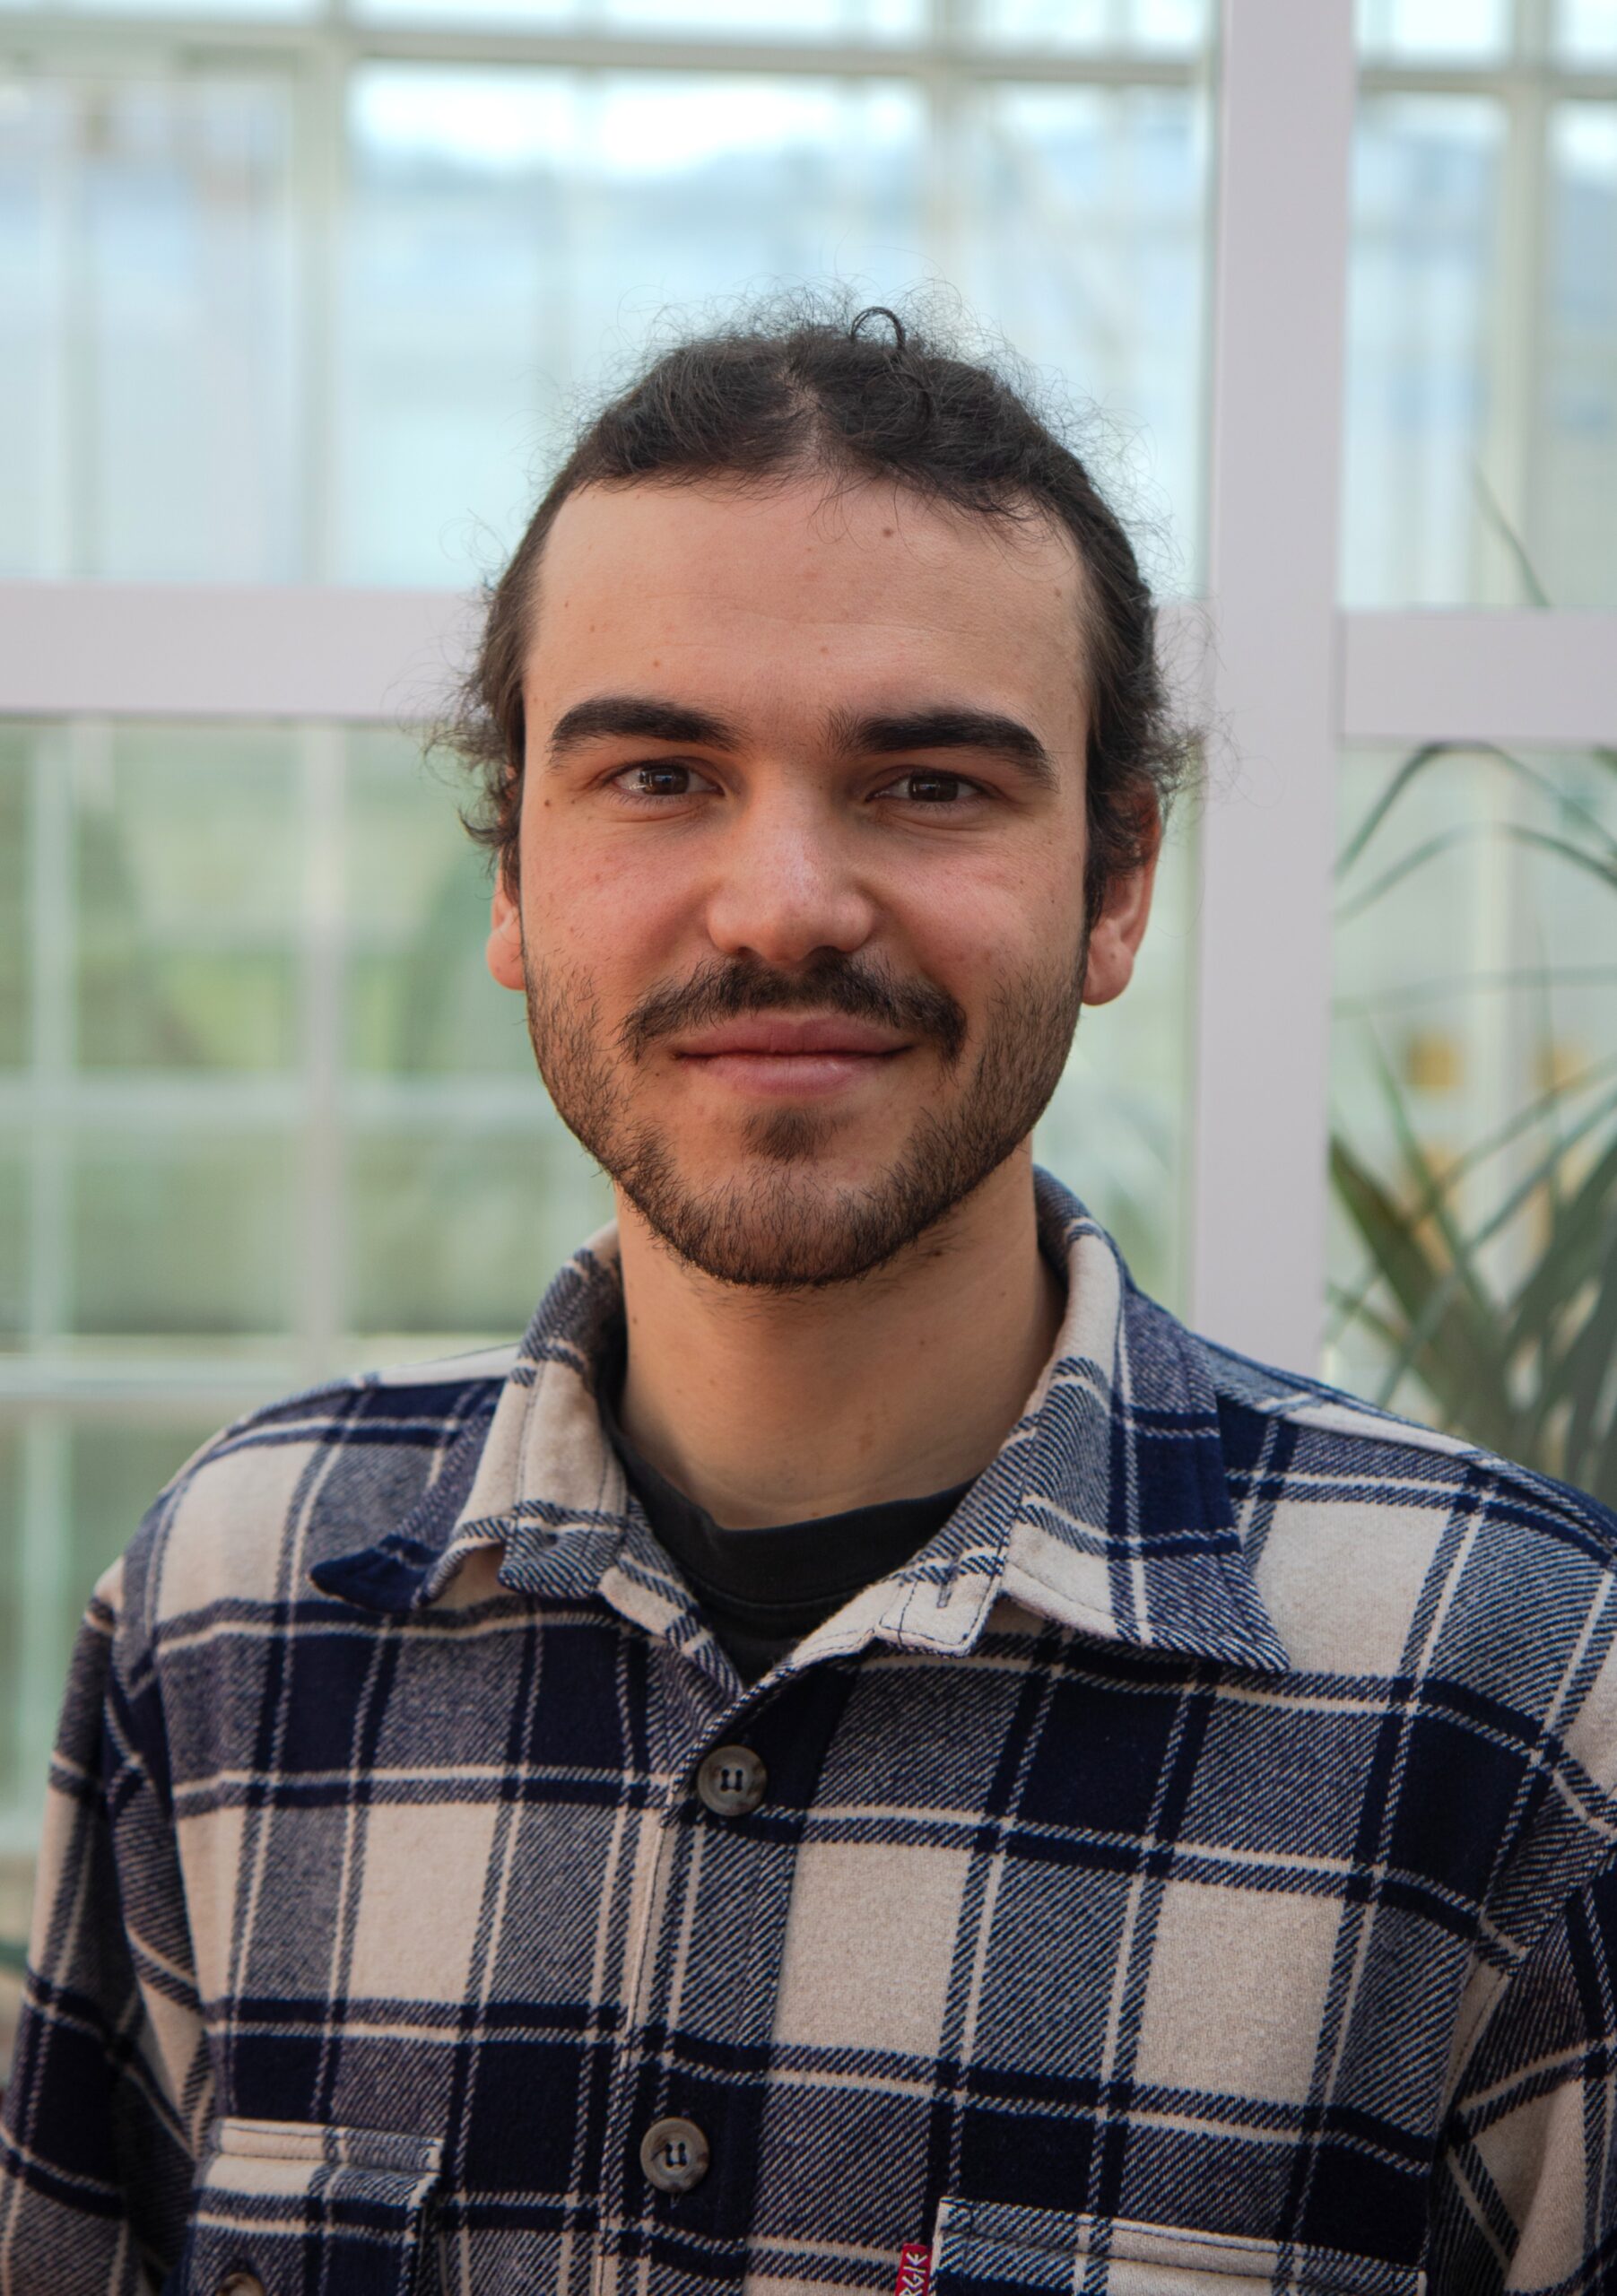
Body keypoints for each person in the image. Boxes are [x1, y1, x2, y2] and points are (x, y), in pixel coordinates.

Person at [3, 300, 1616, 2296]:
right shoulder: (231, 1609)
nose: (781, 903)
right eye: (659, 773)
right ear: (510, 874)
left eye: (926, 783)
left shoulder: (1520, 1700)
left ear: (1115, 879)